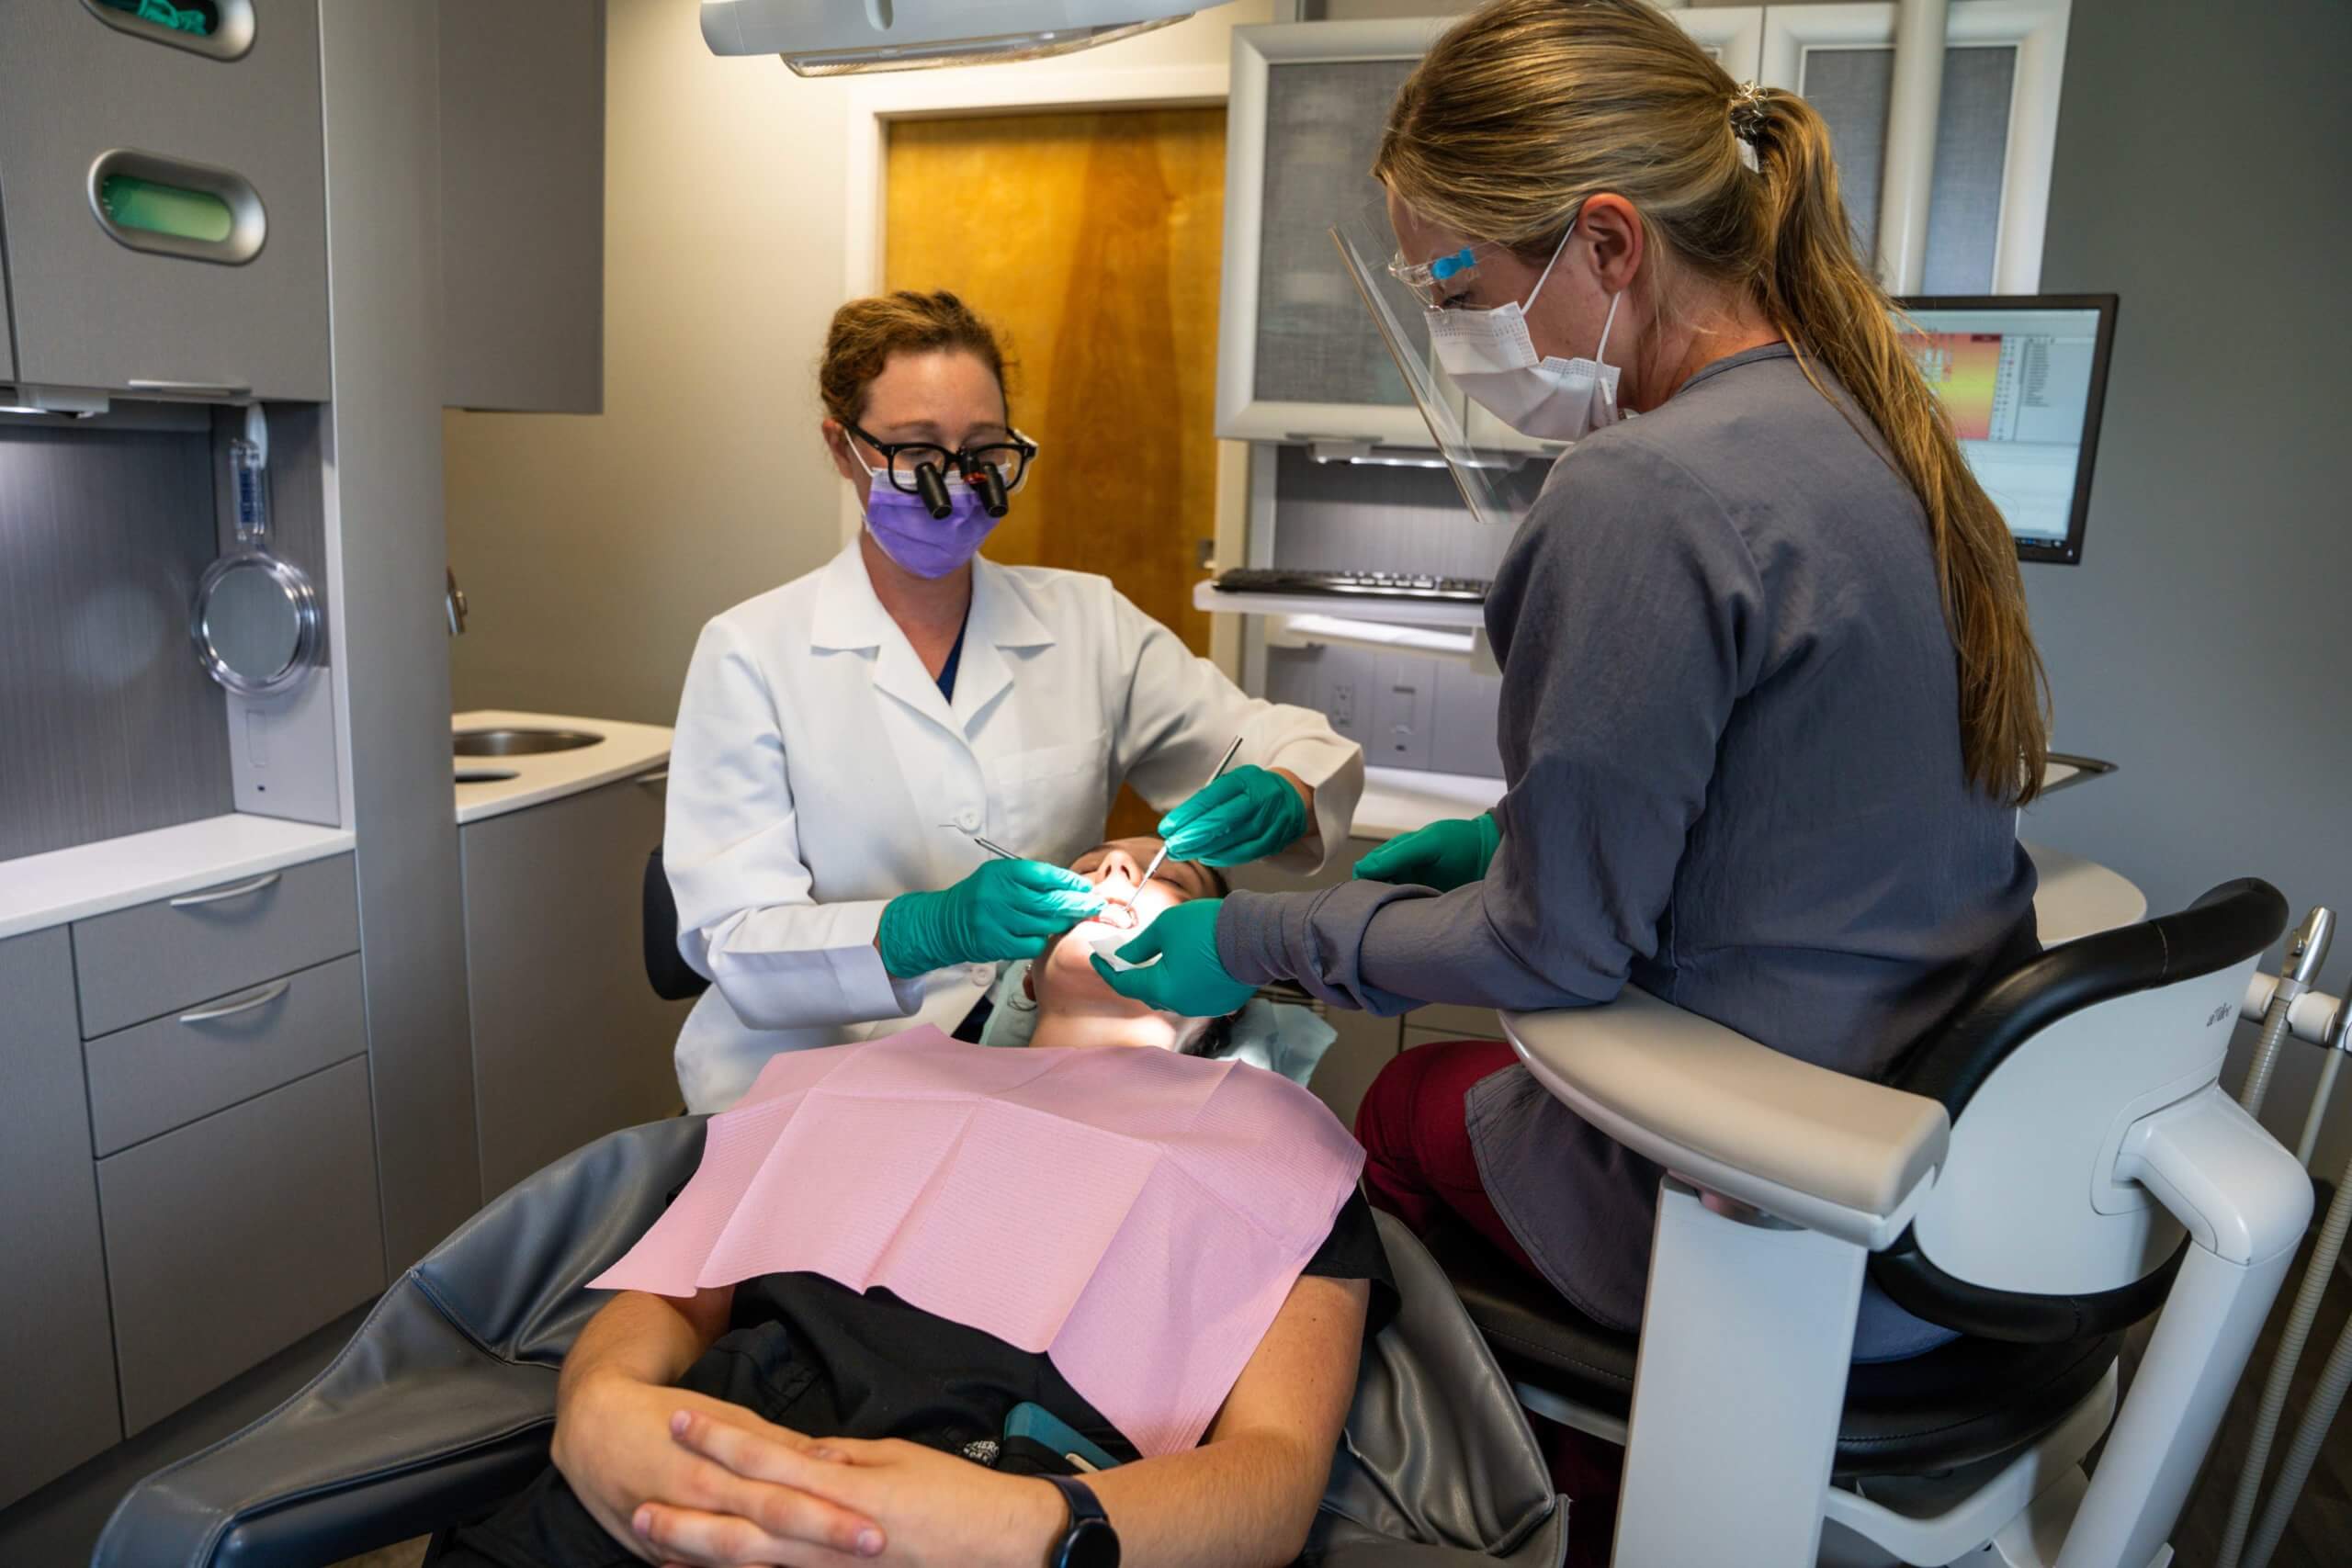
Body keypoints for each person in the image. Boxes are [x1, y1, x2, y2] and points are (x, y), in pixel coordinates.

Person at [1097, 0, 2044, 1363]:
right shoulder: (1871, 415)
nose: (1449, 336)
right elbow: (1783, 794)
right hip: (1945, 1178)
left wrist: (1248, 938)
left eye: (1455, 290)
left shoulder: (1641, 489)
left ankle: (1554, 1489)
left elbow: (1554, 953)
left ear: (1607, 241)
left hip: (1770, 1189)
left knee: (1409, 1105)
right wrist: (1495, 838)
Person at [423, 842, 1393, 1568]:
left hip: (1004, 1492)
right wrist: (596, 1409)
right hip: (715, 1450)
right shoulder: (851, 1080)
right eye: (1092, 866)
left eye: (1166, 886)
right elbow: (678, 1295)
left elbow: (1272, 1476)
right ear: (1022, 955)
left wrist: (1027, 1526)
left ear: (1222, 990)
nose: (1116, 880)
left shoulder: (1277, 1148)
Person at [665, 290, 1365, 1113]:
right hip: (804, 1083)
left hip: (1029, 1074)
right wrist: (918, 929)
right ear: (842, 448)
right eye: (916, 447)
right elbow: (735, 938)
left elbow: (1275, 741)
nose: (956, 484)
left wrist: (1287, 790)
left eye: (984, 450)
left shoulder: (1085, 621)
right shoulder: (751, 651)